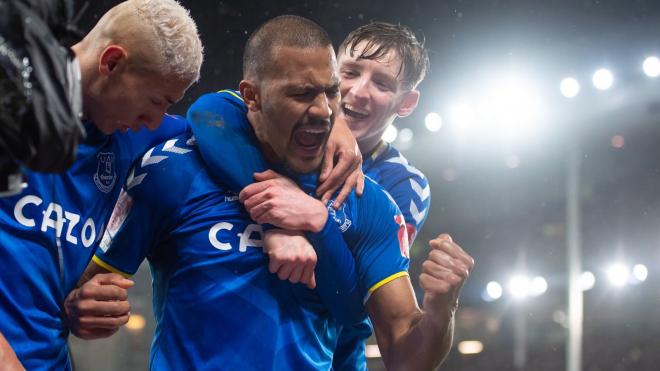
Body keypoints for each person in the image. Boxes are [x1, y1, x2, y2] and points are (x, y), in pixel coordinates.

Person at [75, 15, 473, 370]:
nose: (335, 105)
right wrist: (83, 307)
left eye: (328, 92)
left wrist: (441, 309)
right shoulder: (173, 168)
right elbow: (208, 109)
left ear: (406, 103)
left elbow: (370, 326)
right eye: (304, 93)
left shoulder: (382, 198)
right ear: (251, 97)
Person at [0, 0, 204, 369]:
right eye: (156, 101)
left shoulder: (134, 136)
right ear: (111, 63)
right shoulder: (11, 101)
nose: (157, 120)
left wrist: (339, 126)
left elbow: (235, 118)